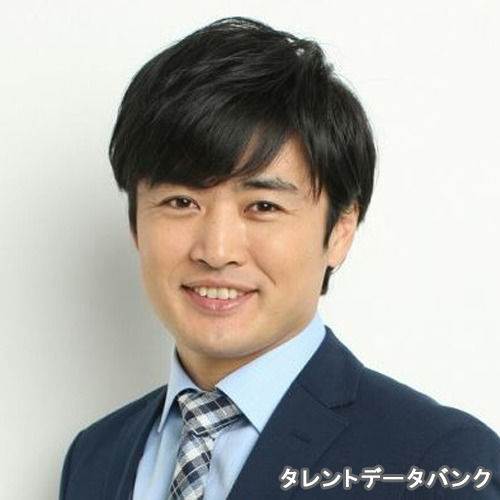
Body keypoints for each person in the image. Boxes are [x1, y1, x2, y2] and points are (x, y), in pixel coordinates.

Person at [59, 16, 500, 500]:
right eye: (181, 202)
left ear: (341, 230)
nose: (217, 251)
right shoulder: (94, 456)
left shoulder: (439, 460)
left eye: (263, 206)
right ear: (135, 224)